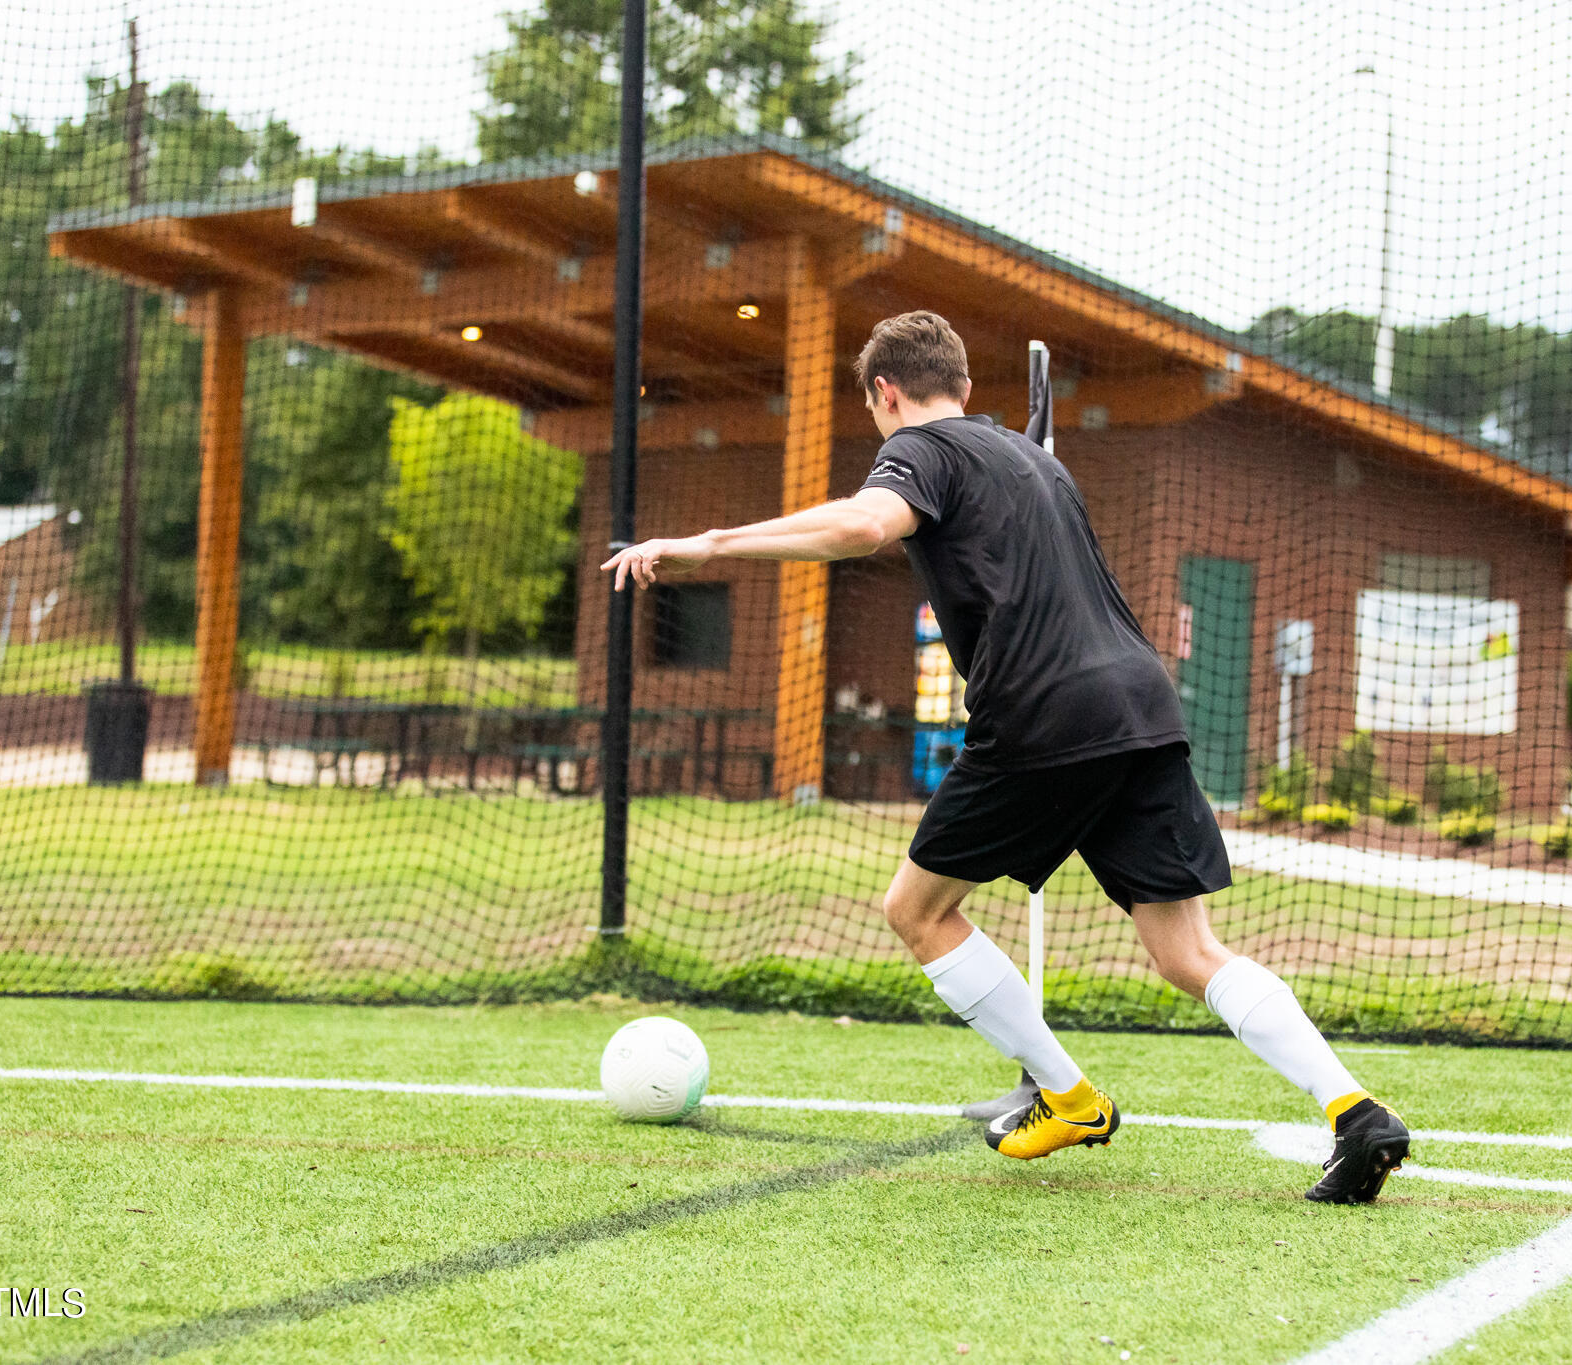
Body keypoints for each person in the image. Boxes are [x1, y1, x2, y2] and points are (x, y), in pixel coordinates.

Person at [601, 310, 1410, 1203]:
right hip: (1139, 701)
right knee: (1189, 953)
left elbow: (866, 527)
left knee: (917, 908)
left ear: (884, 393)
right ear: (967, 385)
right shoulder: (1041, 463)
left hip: (1041, 714)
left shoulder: (923, 452)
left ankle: (1067, 1095)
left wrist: (705, 545)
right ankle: (1354, 1110)